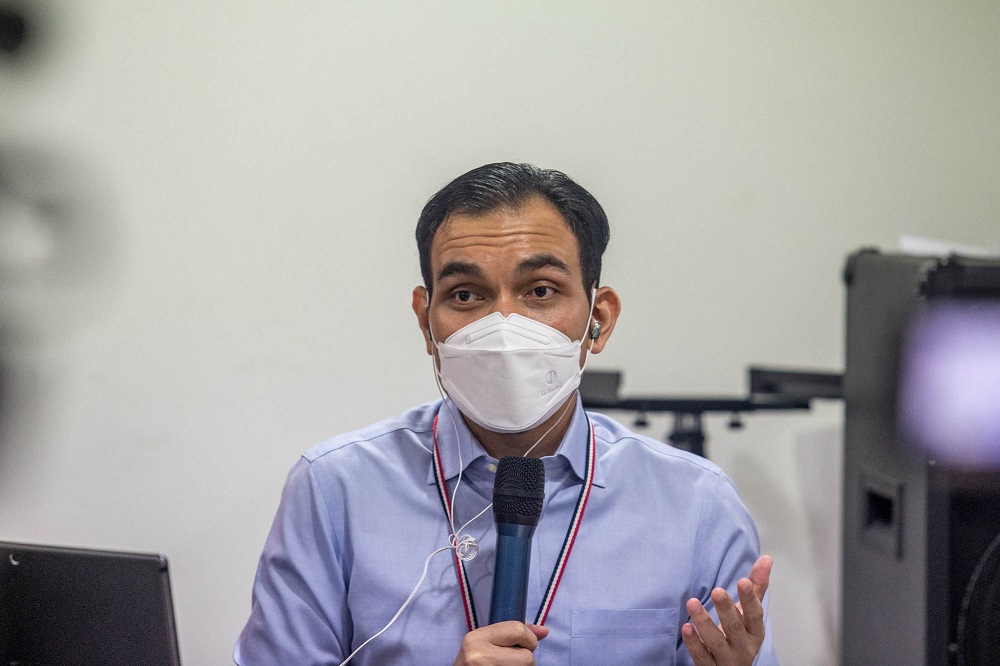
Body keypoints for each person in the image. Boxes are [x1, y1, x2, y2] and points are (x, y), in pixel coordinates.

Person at [234, 162, 777, 665]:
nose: (503, 326)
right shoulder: (335, 490)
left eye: (540, 290)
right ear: (426, 322)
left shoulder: (695, 505)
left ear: (599, 319)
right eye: (465, 295)